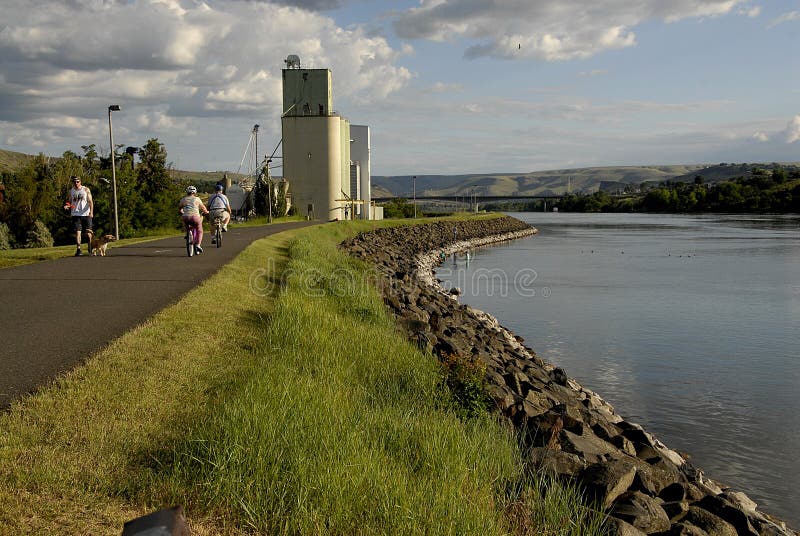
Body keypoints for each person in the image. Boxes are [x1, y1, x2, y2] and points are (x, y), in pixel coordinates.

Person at [64, 176, 93, 256]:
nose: (76, 183)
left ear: (80, 182)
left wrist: (91, 212)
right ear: (73, 183)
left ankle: (90, 245)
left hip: (86, 214)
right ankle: (78, 249)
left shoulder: (86, 190)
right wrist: (67, 206)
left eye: (78, 182)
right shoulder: (71, 191)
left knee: (88, 233)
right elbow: (69, 201)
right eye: (74, 182)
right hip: (76, 214)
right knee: (78, 233)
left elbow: (90, 202)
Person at [178, 185, 209, 254]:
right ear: (195, 192)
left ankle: (187, 233)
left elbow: (180, 208)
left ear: (187, 192)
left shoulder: (183, 199)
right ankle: (198, 245)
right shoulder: (197, 199)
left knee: (185, 222)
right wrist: (206, 212)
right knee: (200, 230)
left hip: (186, 217)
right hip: (195, 217)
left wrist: (181, 212)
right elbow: (203, 208)